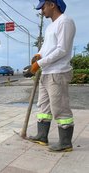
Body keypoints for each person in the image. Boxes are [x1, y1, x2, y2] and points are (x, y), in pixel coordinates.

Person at [24, 0, 76, 152]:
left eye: (43, 7)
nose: (42, 11)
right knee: (43, 106)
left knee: (60, 107)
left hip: (58, 72)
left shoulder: (65, 22)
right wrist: (38, 55)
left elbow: (62, 50)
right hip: (46, 72)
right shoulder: (50, 26)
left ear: (52, 4)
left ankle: (65, 143)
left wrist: (38, 65)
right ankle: (42, 136)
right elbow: (47, 47)